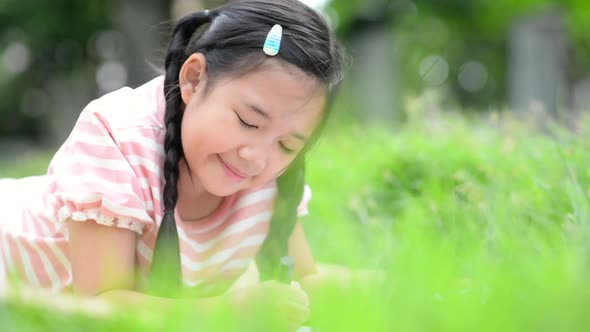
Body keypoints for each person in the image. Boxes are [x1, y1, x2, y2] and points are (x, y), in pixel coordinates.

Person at [0, 0, 345, 330]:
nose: (256, 157)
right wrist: (226, 313)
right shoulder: (117, 137)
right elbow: (101, 308)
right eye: (248, 122)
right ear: (194, 79)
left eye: (287, 145)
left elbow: (303, 281)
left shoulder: (271, 178)